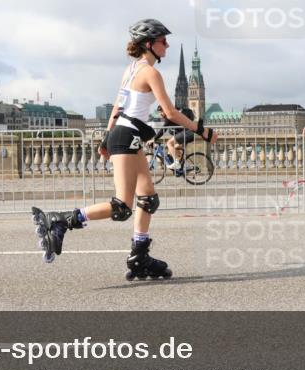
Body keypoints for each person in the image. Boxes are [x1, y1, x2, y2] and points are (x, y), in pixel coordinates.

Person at [31, 19, 218, 280]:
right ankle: (61, 220)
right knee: (122, 205)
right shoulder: (151, 73)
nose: (168, 44)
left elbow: (118, 108)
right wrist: (202, 130)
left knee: (148, 198)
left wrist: (106, 139)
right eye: (164, 41)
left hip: (125, 134)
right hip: (127, 135)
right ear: (150, 44)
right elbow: (170, 112)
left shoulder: (131, 69)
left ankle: (139, 255)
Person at [155, 104, 197, 173]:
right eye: (159, 113)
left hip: (187, 133)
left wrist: (154, 139)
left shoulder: (170, 117)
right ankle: (184, 165)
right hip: (188, 133)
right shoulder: (174, 114)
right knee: (173, 150)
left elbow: (163, 130)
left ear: (165, 110)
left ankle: (177, 163)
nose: (160, 114)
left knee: (169, 143)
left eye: (161, 112)